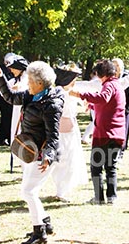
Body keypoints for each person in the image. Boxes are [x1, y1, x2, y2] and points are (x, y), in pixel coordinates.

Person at [0, 61, 63, 244]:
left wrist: (48, 157)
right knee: (30, 190)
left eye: (30, 81)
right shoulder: (30, 95)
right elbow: (9, 97)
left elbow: (53, 136)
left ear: (40, 83)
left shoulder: (51, 105)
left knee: (28, 192)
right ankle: (45, 223)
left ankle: (39, 233)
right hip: (30, 151)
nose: (27, 84)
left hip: (43, 155)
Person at [70, 59, 126, 204]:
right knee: (111, 167)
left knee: (96, 167)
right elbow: (109, 106)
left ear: (102, 74)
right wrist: (93, 106)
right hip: (117, 133)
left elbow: (103, 98)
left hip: (105, 134)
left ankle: (99, 197)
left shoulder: (109, 85)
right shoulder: (118, 86)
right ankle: (112, 197)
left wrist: (80, 95)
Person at [50, 64, 88, 202]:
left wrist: (86, 104)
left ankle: (61, 190)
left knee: (69, 160)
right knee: (60, 159)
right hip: (60, 131)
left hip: (71, 131)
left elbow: (82, 100)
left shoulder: (72, 90)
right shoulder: (58, 91)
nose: (75, 82)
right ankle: (60, 189)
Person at [0, 52, 15, 146]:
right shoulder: (3, 69)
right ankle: (4, 138)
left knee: (8, 117)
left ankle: (5, 138)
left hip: (8, 95)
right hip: (2, 96)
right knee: (6, 117)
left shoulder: (9, 69)